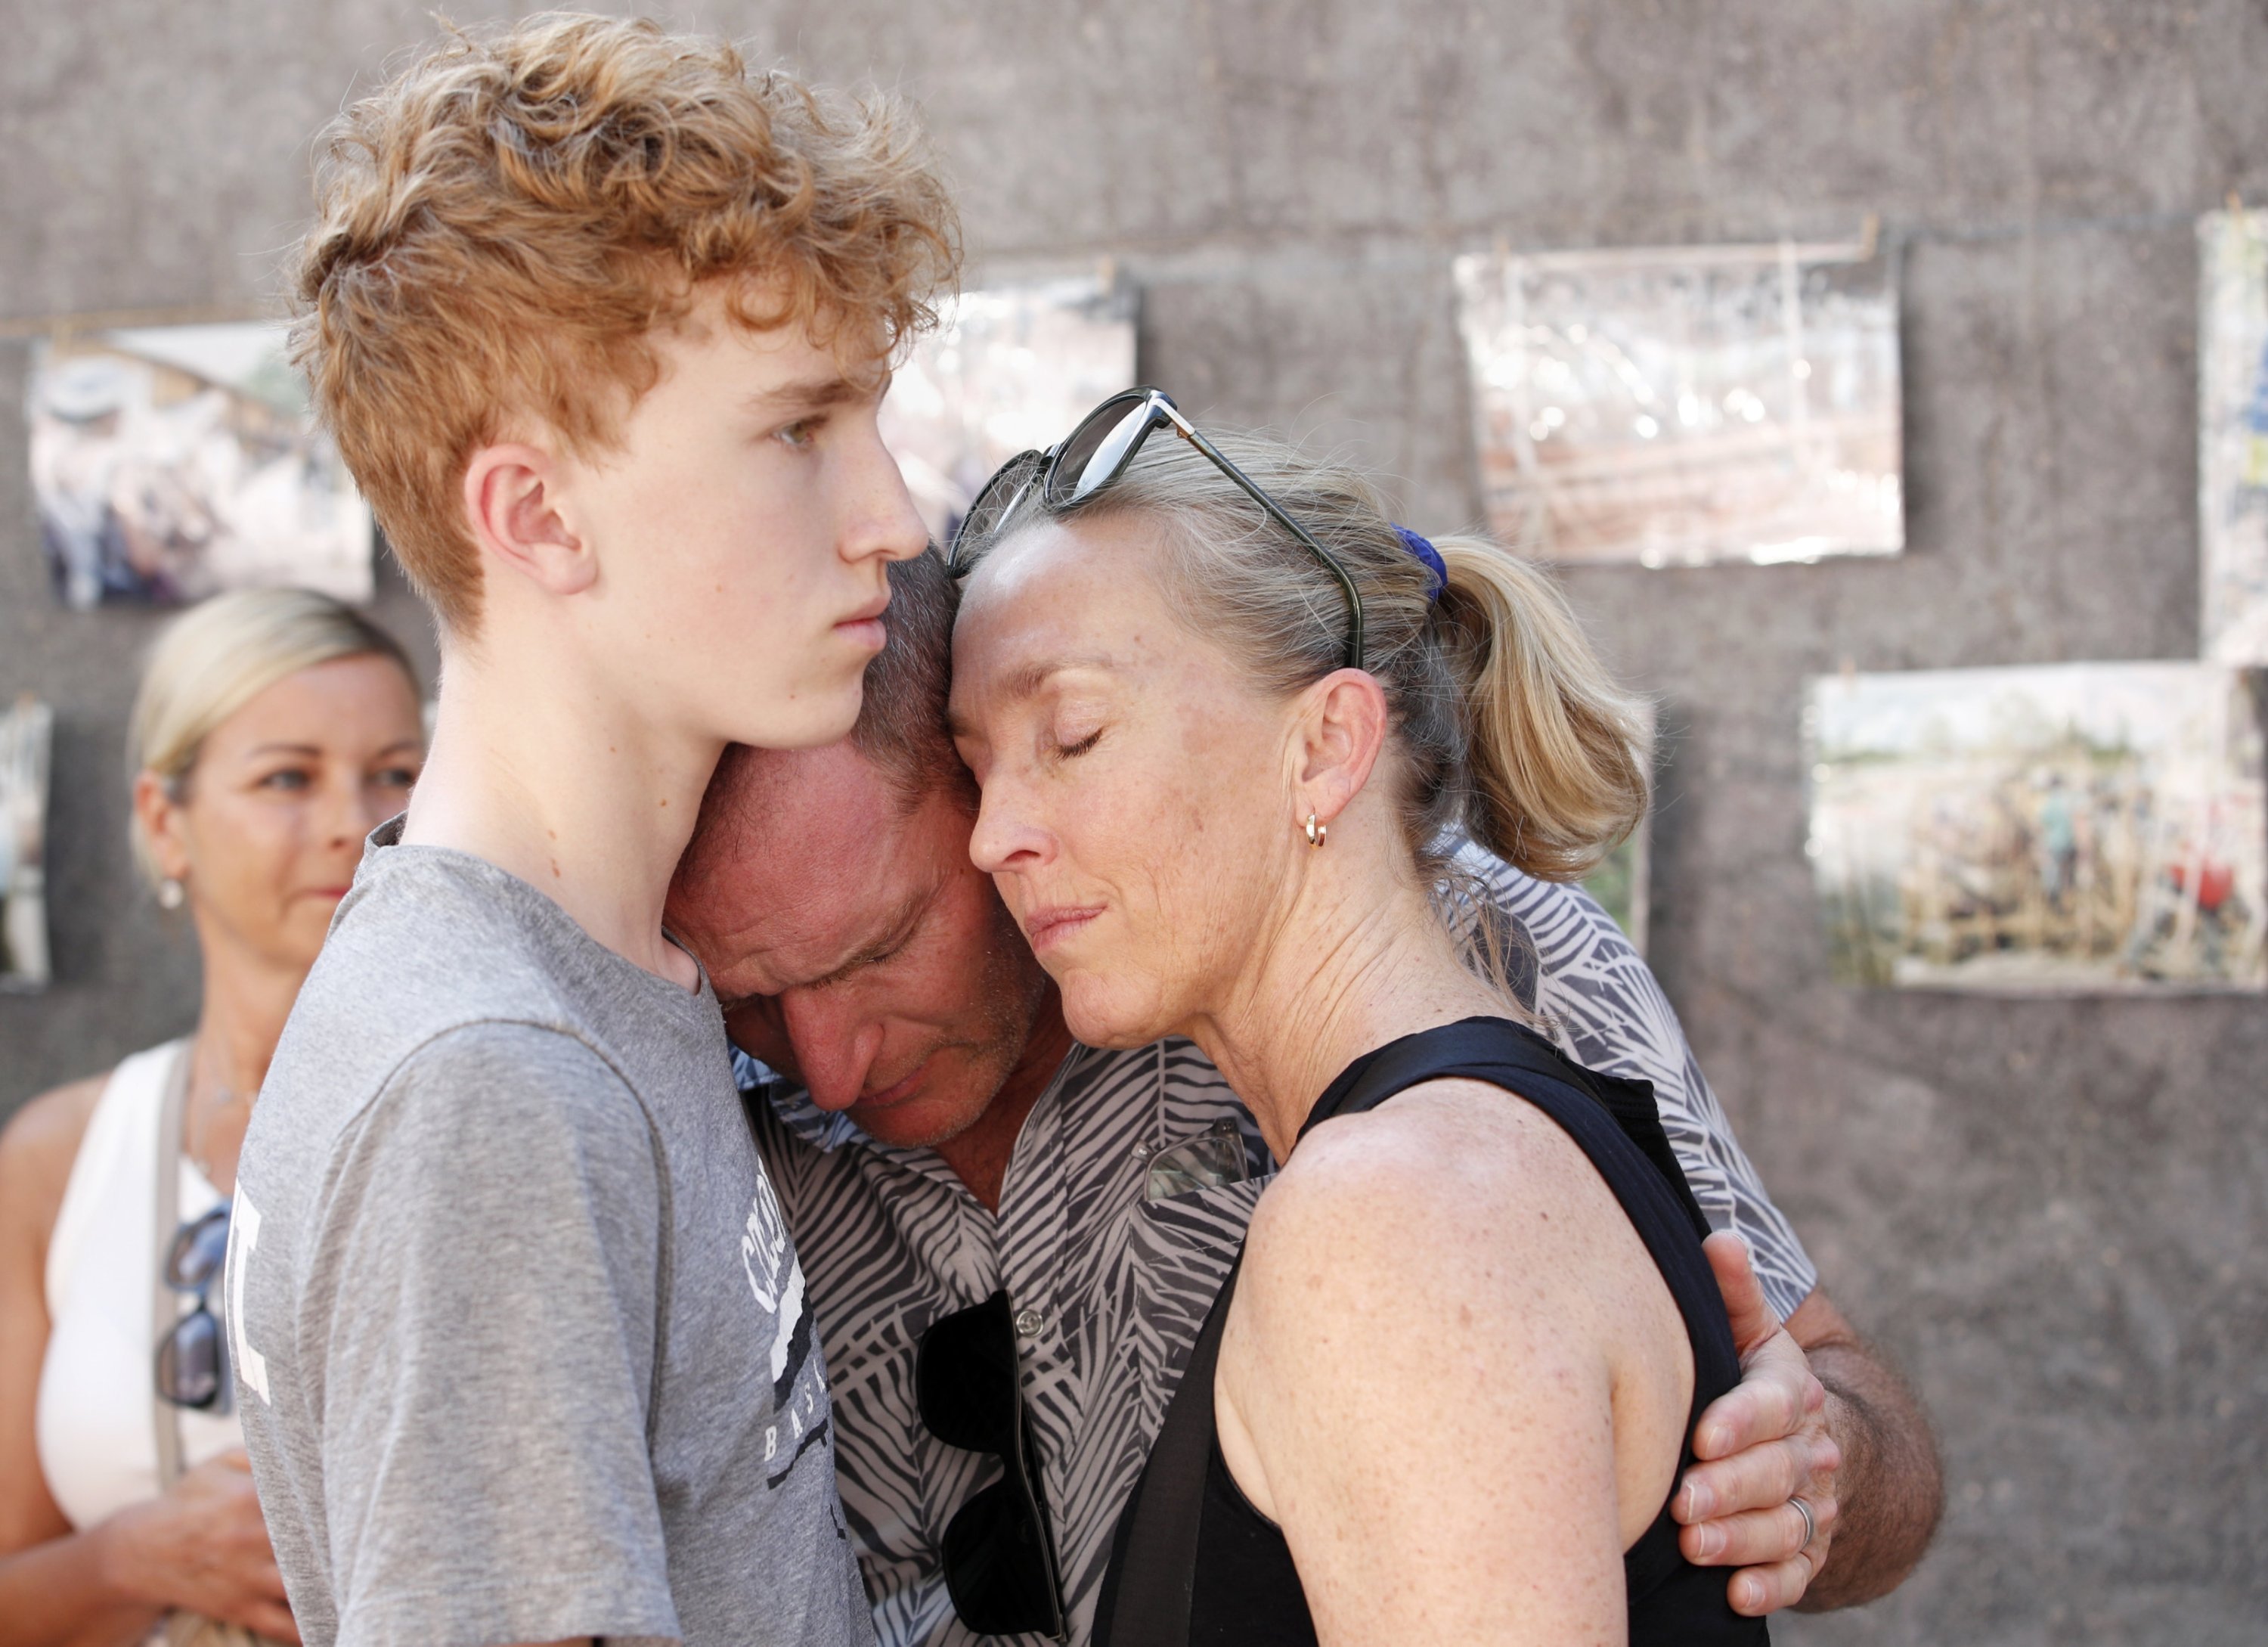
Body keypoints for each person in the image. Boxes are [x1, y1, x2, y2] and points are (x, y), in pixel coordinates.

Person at [665, 554, 1943, 1645]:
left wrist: (1812, 1460)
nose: (825, 1065)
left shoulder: (1480, 961)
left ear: (997, 803)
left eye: (877, 947)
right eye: (755, 1002)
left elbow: (1866, 1434)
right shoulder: (700, 1112)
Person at [225, 16, 953, 1647]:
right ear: (537, 516)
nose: (891, 517)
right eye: (797, 430)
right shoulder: (493, 1084)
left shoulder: (599, 984)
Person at [943, 397, 1809, 1642]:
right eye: (978, 766)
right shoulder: (1458, 1148)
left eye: (1070, 735)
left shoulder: (1393, 1215)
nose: (992, 834)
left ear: (1327, 745)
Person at [0, 588, 425, 1645]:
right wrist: (135, 1554)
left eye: (397, 773)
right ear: (163, 820)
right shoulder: (60, 1157)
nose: (352, 820)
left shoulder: (496, 1121)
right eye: (289, 775)